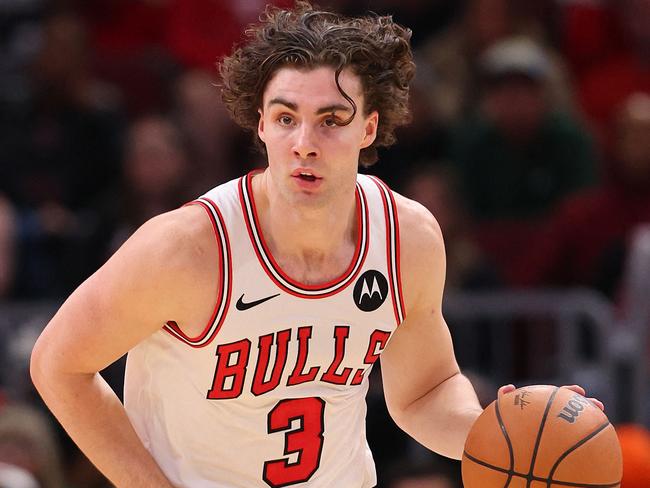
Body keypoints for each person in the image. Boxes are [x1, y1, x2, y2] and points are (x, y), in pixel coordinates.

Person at [29, 3, 598, 487]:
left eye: (331, 119)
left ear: (369, 129)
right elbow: (59, 365)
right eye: (286, 118)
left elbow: (423, 391)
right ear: (260, 126)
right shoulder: (188, 248)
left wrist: (501, 437)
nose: (305, 143)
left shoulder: (407, 237)